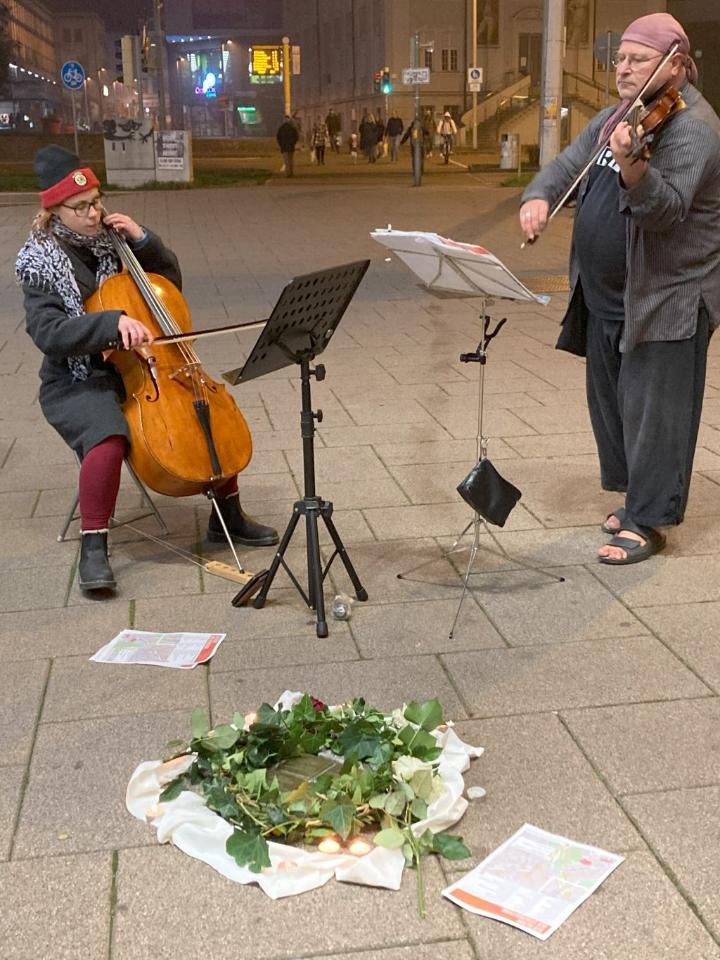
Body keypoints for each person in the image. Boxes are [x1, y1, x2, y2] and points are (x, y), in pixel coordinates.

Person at [15, 146, 278, 595]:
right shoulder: (40, 261)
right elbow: (49, 333)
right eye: (81, 207)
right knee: (107, 435)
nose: (95, 213)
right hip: (78, 377)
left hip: (149, 365)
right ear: (54, 210)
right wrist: (109, 322)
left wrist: (143, 239)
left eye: (97, 201)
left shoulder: (113, 242)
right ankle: (94, 544)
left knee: (207, 411)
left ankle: (227, 517)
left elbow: (167, 283)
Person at [519, 13, 720, 565]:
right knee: (616, 406)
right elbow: (565, 166)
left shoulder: (693, 128)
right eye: (620, 59)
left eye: (637, 60)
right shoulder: (616, 118)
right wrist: (537, 197)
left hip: (667, 296)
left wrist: (635, 171)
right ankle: (636, 499)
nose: (623, 70)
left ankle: (650, 521)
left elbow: (666, 210)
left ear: (675, 65)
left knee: (657, 412)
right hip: (608, 296)